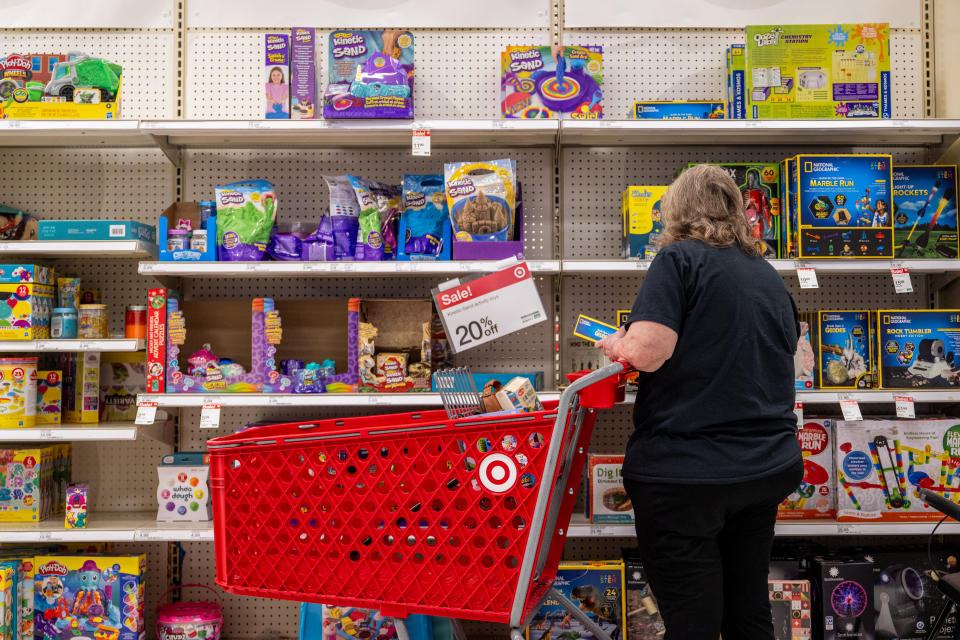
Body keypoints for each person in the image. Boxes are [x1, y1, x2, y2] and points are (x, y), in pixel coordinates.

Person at [596, 164, 804, 640]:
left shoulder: (678, 261)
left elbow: (649, 353)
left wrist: (619, 344)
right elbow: (790, 353)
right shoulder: (766, 273)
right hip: (764, 467)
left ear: (674, 211)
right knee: (747, 609)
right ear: (738, 210)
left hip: (687, 475)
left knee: (693, 617)